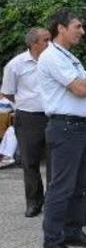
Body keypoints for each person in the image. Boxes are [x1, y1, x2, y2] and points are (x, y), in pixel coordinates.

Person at [37, 9, 86, 248]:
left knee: (78, 185)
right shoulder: (52, 56)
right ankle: (52, 241)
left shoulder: (69, 57)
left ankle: (73, 231)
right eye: (78, 26)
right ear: (61, 28)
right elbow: (81, 87)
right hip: (65, 127)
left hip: (79, 127)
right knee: (61, 186)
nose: (82, 31)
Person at [2, 27, 52, 217]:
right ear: (33, 43)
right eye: (45, 40)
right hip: (29, 117)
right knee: (29, 161)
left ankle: (52, 202)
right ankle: (33, 201)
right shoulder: (16, 65)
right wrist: (24, 103)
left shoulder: (53, 62)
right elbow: (7, 91)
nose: (49, 44)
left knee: (55, 160)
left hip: (52, 116)